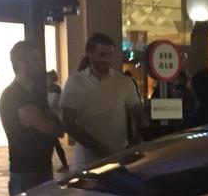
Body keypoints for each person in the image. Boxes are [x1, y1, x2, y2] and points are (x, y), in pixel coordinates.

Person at [60, 32, 146, 170]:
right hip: (86, 162)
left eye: (110, 55)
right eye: (102, 54)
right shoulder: (75, 82)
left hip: (119, 159)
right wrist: (97, 148)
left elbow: (138, 115)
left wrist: (134, 143)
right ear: (90, 53)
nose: (107, 60)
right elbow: (68, 123)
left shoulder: (123, 82)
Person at [0, 40, 66, 196]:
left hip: (42, 171)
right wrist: (53, 121)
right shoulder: (14, 95)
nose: (41, 64)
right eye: (36, 59)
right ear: (21, 63)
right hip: (25, 176)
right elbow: (47, 126)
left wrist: (52, 122)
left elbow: (58, 130)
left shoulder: (33, 95)